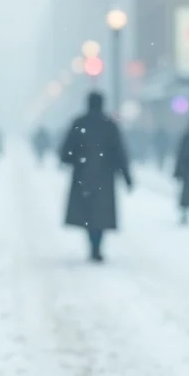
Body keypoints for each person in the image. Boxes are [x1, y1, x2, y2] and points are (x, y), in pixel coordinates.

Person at [59, 92, 133, 262]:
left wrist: (72, 159)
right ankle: (97, 246)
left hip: (83, 175)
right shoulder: (109, 126)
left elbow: (67, 151)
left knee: (87, 212)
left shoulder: (79, 123)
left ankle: (93, 245)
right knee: (101, 213)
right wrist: (126, 176)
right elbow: (120, 153)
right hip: (105, 177)